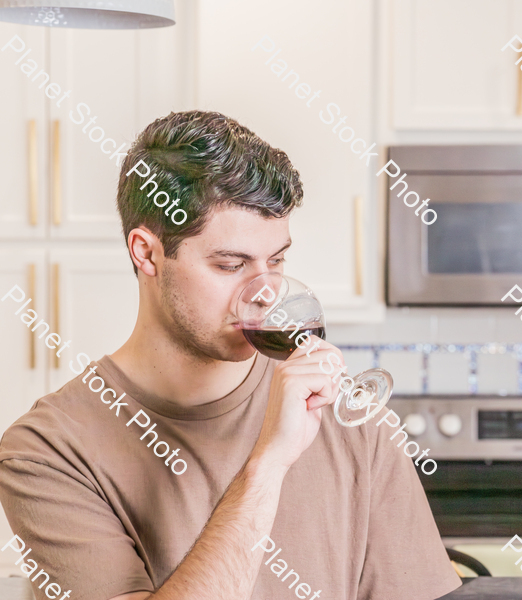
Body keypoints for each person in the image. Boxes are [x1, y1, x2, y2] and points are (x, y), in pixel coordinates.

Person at [0, 110, 461, 600]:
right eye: (231, 264)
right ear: (147, 253)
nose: (265, 292)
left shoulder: (348, 416)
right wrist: (269, 463)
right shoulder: (47, 452)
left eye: (277, 261)